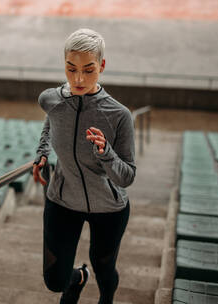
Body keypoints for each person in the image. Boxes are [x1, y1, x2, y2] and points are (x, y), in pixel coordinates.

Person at [32, 28, 136, 304]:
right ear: (63, 64)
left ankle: (106, 300)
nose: (78, 79)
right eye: (71, 68)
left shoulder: (119, 115)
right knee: (54, 280)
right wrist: (42, 152)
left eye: (89, 70)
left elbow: (127, 176)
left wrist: (105, 152)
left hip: (109, 209)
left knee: (103, 267)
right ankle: (77, 279)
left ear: (102, 66)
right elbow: (50, 122)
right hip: (62, 201)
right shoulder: (50, 99)